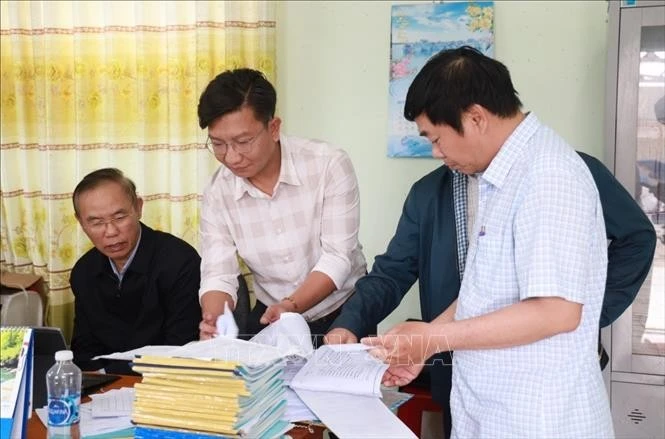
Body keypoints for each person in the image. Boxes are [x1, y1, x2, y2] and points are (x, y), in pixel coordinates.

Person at [332, 46, 643, 438]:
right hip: (497, 414)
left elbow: (557, 312)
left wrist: (434, 336)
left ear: (475, 117)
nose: (435, 153)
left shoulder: (548, 175)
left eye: (437, 138)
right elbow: (486, 290)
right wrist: (427, 344)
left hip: (538, 420)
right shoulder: (501, 177)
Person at [196, 68, 367, 345]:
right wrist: (214, 316)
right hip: (272, 314)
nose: (231, 157)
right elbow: (218, 271)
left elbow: (338, 257)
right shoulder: (218, 191)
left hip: (342, 310)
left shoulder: (328, 164)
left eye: (242, 142)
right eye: (218, 144)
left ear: (273, 128)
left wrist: (291, 305)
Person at [70, 168, 202, 374]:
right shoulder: (84, 272)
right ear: (81, 223)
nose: (111, 231)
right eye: (96, 222)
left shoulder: (179, 261)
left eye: (120, 217)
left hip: (166, 381)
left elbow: (182, 347)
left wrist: (113, 372)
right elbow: (84, 350)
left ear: (138, 208)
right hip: (104, 388)